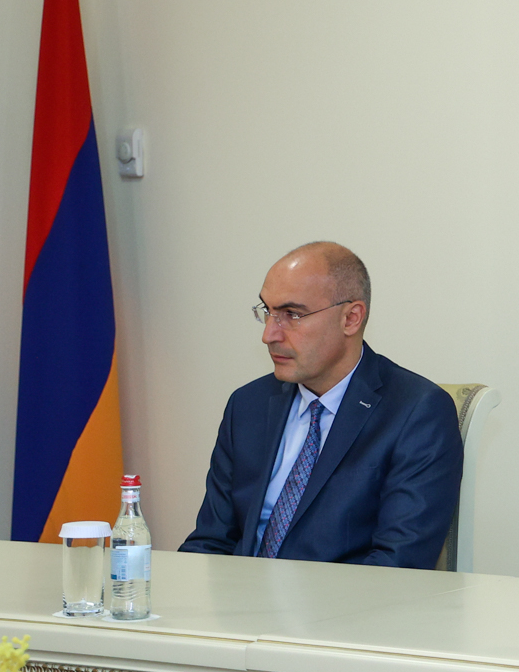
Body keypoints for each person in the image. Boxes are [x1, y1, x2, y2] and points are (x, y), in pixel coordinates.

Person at [181, 242, 462, 567]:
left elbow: (397, 565)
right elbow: (211, 542)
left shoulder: (417, 412)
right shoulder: (247, 405)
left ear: (351, 318)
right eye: (268, 312)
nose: (269, 335)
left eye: (292, 315)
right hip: (240, 595)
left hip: (347, 599)